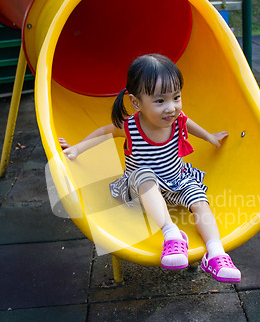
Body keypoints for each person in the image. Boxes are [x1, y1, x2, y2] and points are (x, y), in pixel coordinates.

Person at [59, 54, 241, 282]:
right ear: (136, 103)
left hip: (176, 180)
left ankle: (215, 254)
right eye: (159, 101)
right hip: (142, 187)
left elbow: (189, 123)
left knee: (200, 201)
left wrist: (209, 137)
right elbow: (105, 132)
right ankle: (172, 234)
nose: (171, 108)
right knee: (145, 175)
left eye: (176, 97)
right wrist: (77, 148)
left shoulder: (177, 119)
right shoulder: (131, 127)